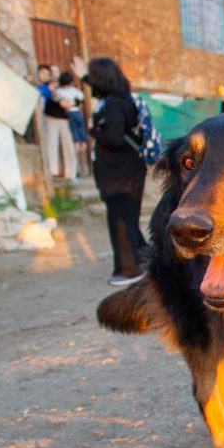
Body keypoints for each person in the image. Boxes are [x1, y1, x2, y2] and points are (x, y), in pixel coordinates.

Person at [73, 55, 147, 286]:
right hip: (125, 172)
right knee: (128, 218)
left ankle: (128, 269)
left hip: (121, 174)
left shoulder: (114, 104)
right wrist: (83, 78)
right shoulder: (119, 99)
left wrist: (93, 130)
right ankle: (147, 259)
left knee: (121, 221)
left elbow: (114, 137)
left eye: (93, 78)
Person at [41, 67, 76, 180]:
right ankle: (52, 171)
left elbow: (76, 100)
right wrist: (59, 103)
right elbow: (47, 101)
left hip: (65, 118)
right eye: (52, 72)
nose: (54, 74)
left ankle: (70, 173)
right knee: (51, 144)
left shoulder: (67, 88)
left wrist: (69, 104)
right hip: (51, 117)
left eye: (56, 71)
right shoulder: (47, 88)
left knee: (68, 145)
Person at [56, 72, 88, 176]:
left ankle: (77, 143)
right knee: (81, 127)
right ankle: (83, 143)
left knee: (73, 129)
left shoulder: (60, 91)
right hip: (77, 111)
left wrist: (66, 104)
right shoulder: (74, 91)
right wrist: (75, 103)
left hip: (69, 113)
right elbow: (81, 97)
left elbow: (56, 99)